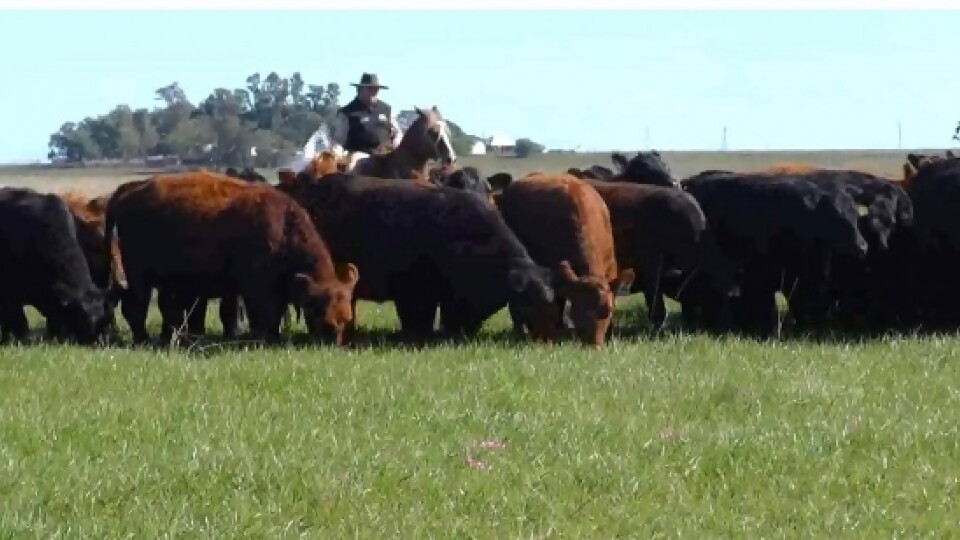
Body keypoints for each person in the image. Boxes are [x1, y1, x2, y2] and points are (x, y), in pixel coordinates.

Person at [329, 73, 403, 168]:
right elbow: (338, 139)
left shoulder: (386, 109)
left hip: (385, 155)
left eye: (376, 89)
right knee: (353, 164)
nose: (374, 92)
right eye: (370, 89)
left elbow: (397, 133)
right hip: (360, 156)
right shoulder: (347, 112)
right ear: (360, 90)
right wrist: (338, 152)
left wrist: (396, 144)